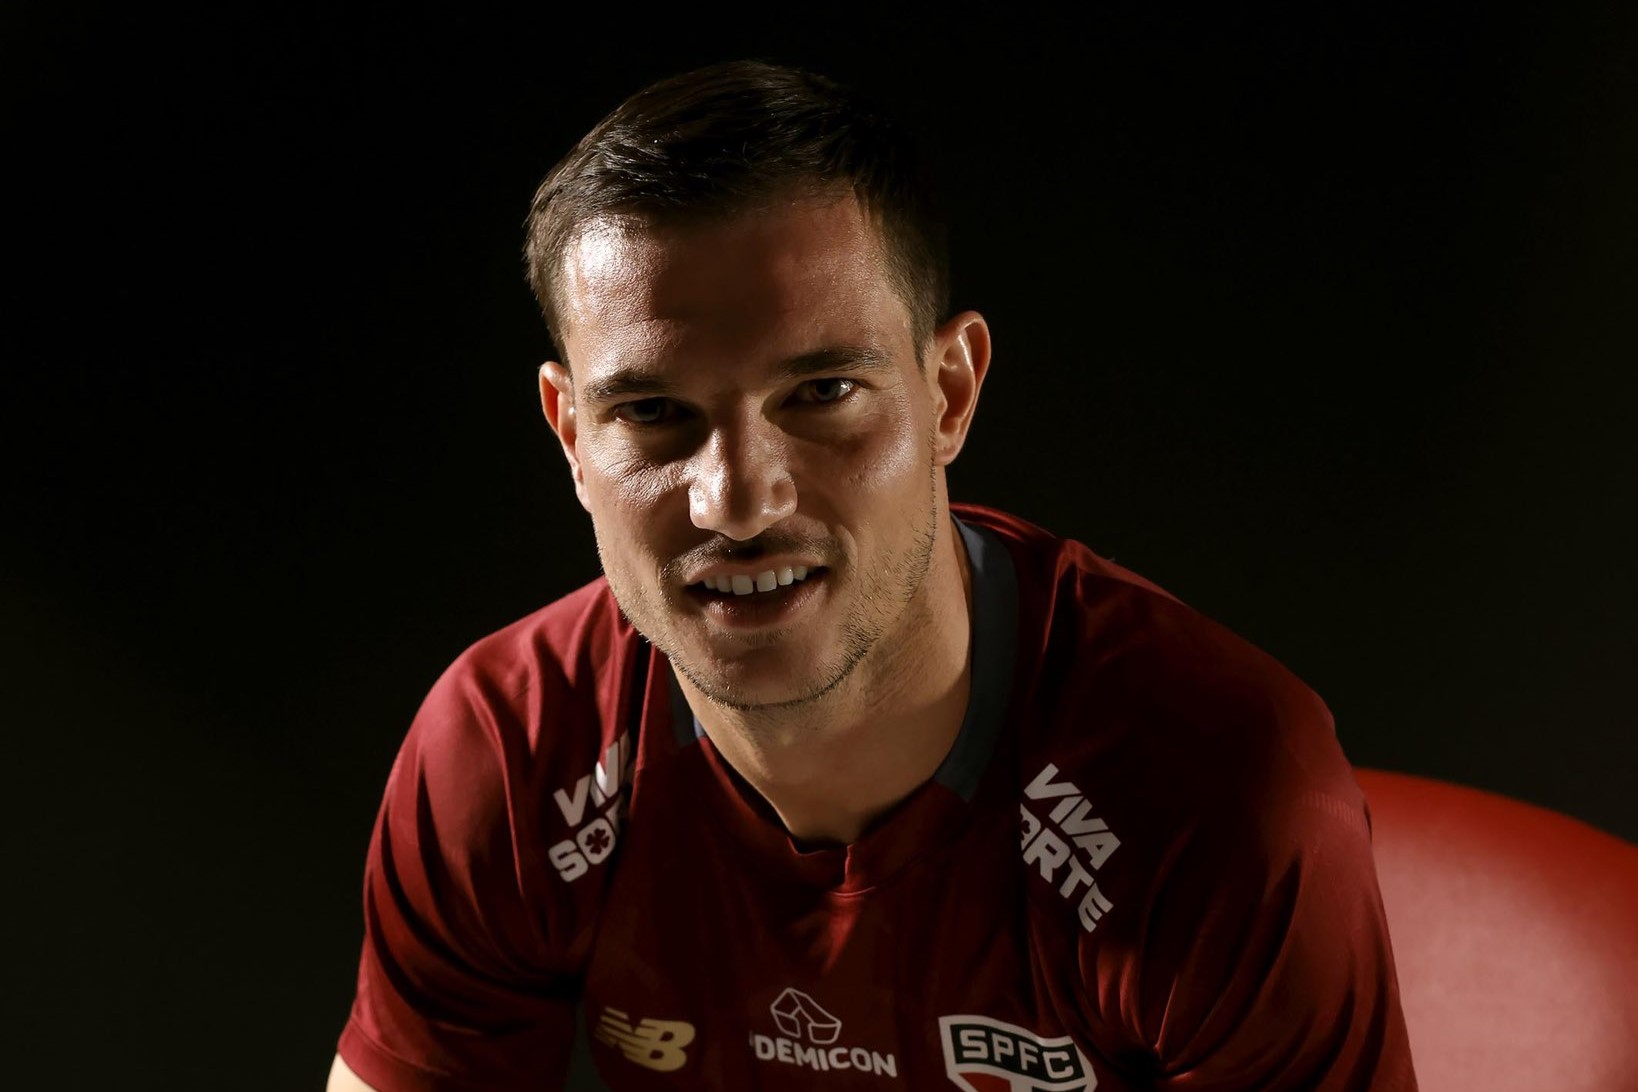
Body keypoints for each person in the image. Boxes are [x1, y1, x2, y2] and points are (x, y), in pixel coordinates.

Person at [328, 60, 1418, 1091]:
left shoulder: (1210, 795)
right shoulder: (514, 750)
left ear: (948, 393)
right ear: (572, 436)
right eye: (655, 413)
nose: (739, 502)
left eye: (821, 395)